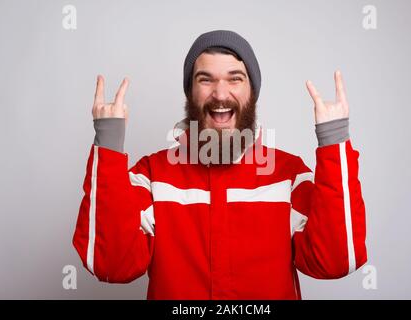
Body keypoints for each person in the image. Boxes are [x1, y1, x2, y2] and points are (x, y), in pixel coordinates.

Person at [73, 30, 367, 300]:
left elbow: (335, 261)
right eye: (206, 79)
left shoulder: (287, 175)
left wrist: (334, 140)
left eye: (235, 78)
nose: (221, 93)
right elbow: (111, 264)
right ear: (190, 93)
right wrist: (109, 143)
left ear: (252, 92)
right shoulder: (152, 175)